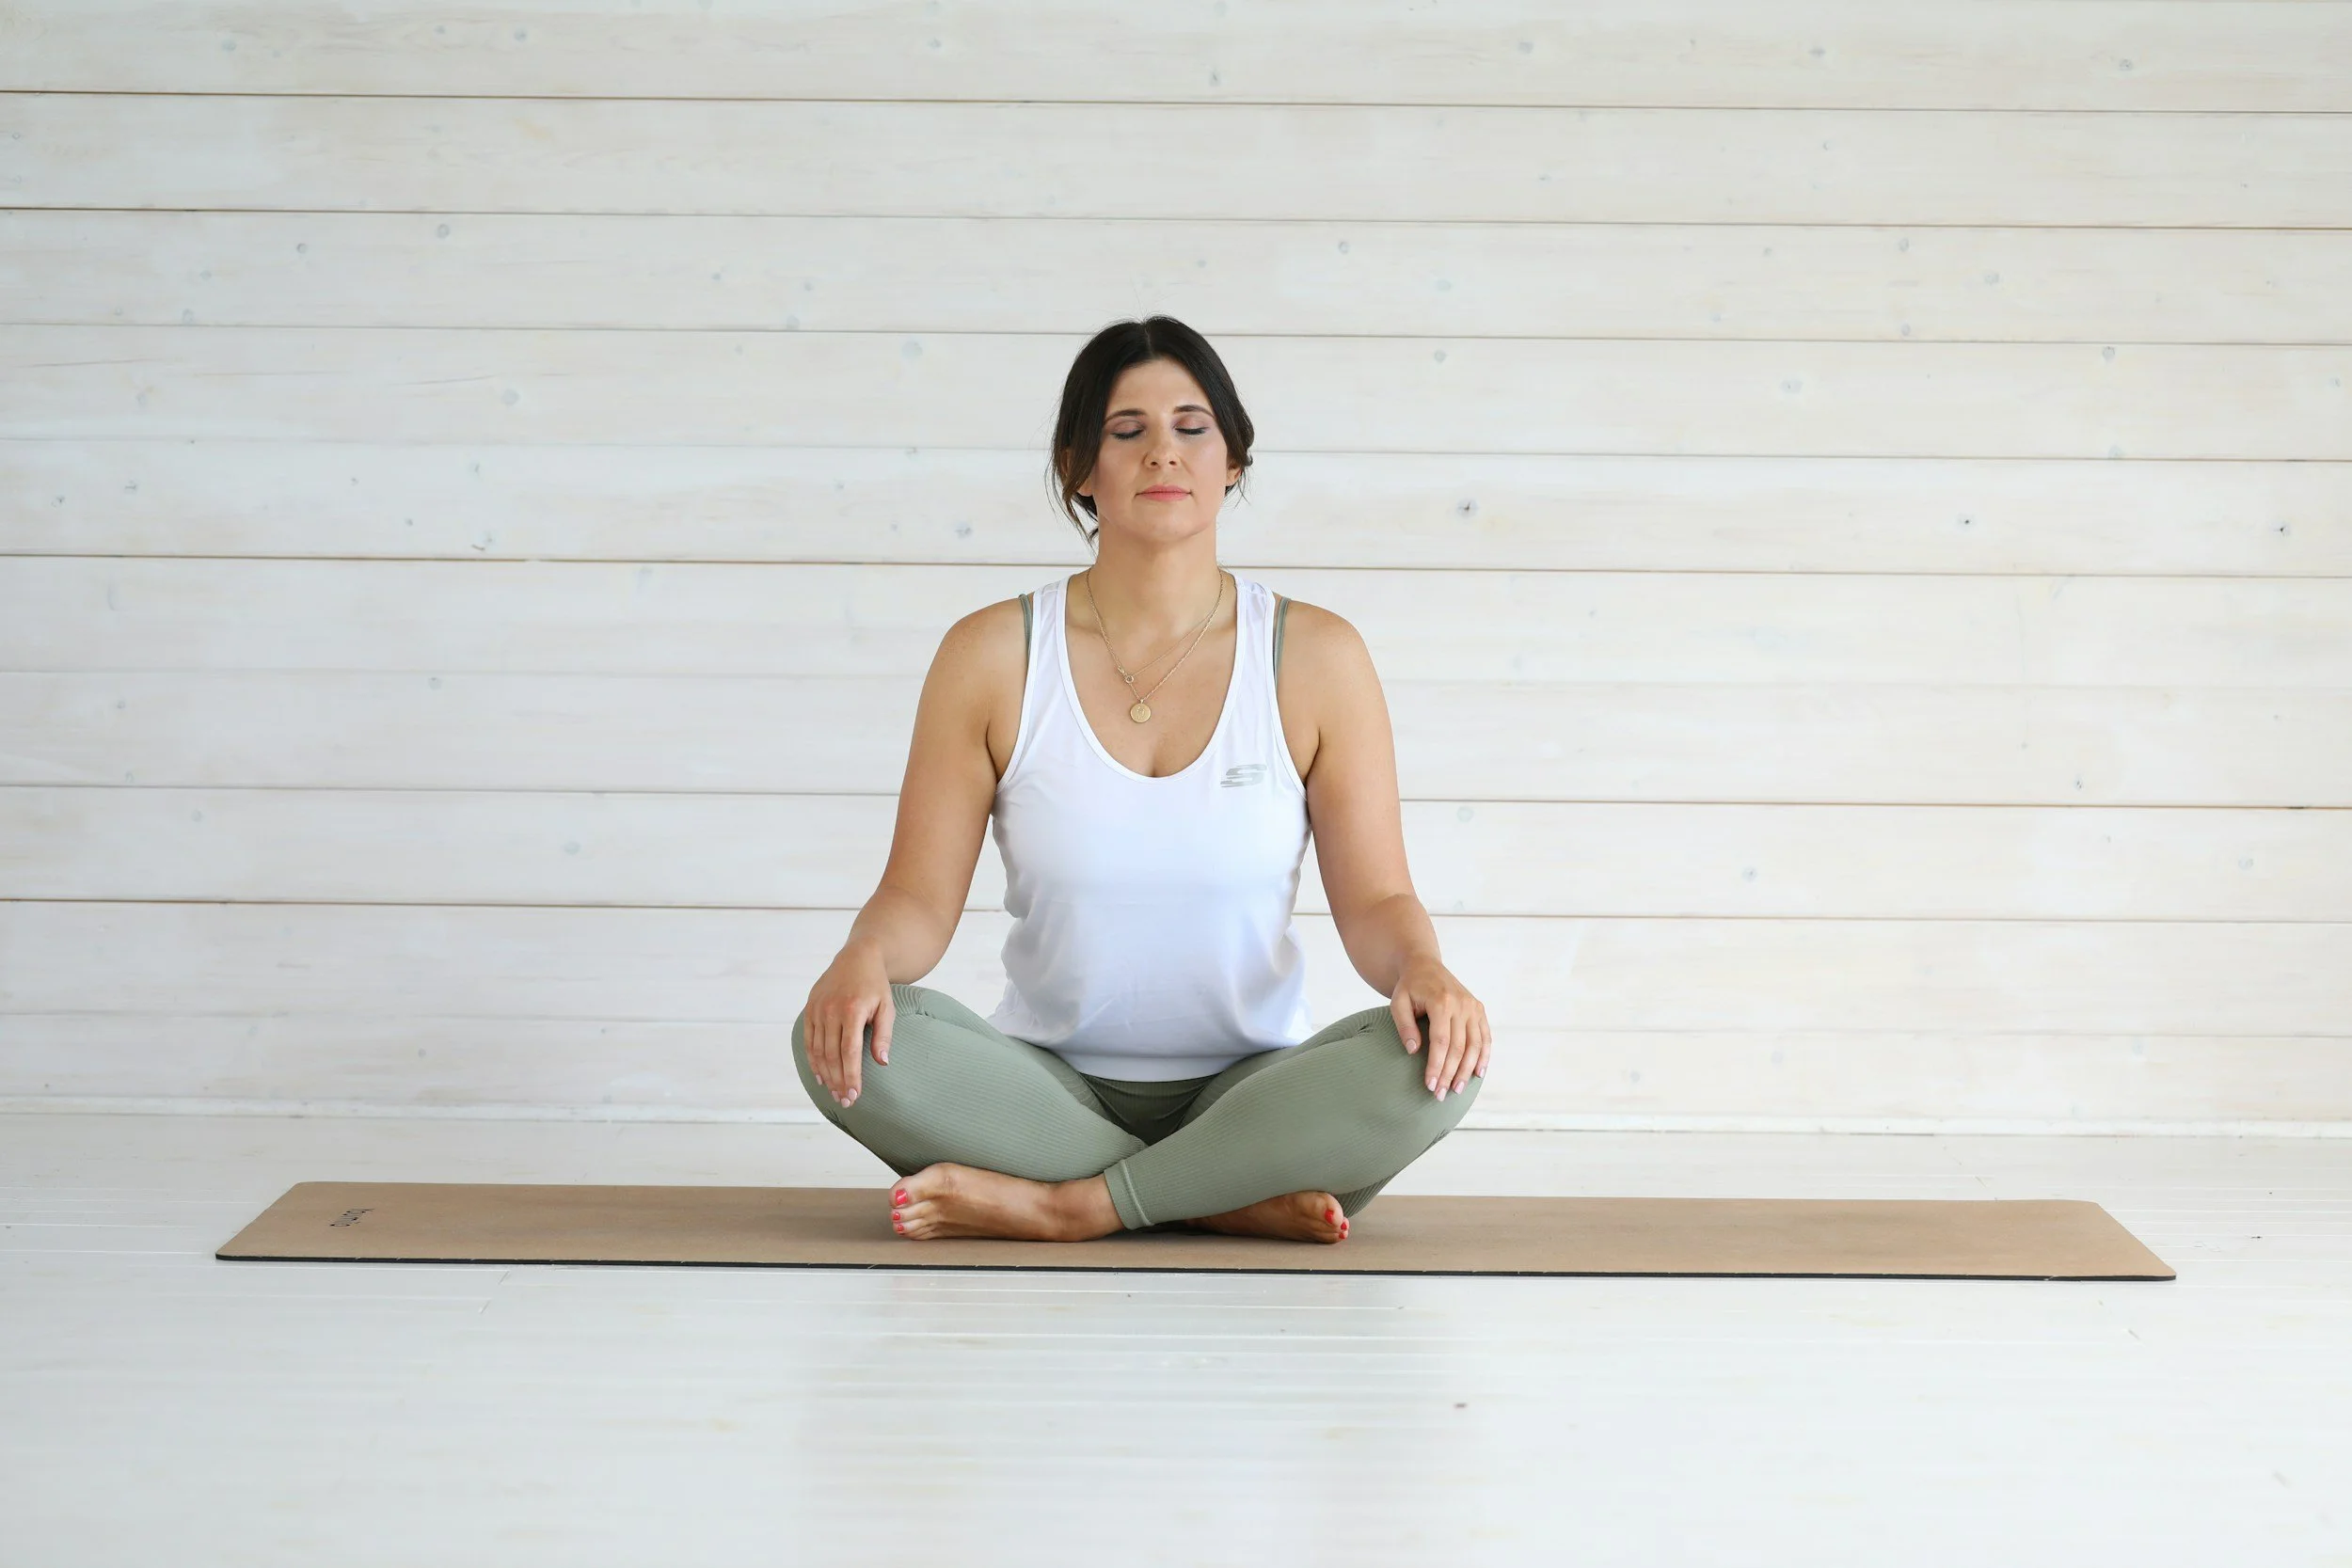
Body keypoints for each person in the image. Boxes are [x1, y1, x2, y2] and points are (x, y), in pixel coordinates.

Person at [791, 315, 1494, 1245]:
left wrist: (1424, 970)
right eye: (1127, 430)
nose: (1162, 449)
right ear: (1079, 465)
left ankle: (1065, 1204)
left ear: (1233, 459)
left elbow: (1377, 897)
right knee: (836, 1036)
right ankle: (1217, 1195)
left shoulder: (1317, 655)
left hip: (1257, 1088)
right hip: (1042, 1088)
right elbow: (916, 898)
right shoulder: (992, 653)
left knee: (1435, 1063)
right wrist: (861, 960)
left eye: (1191, 426)